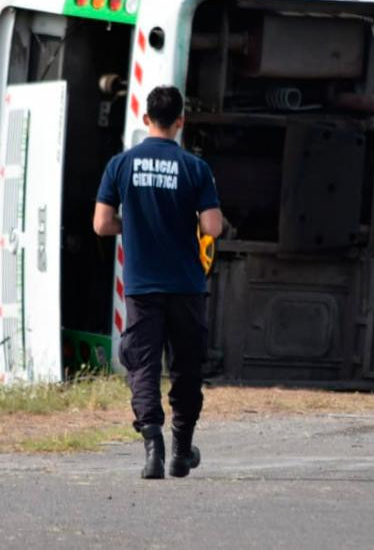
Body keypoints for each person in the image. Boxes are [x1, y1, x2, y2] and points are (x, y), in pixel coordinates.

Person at [94, 85, 223, 479]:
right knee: (185, 367)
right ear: (180, 122)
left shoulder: (120, 164)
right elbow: (212, 227)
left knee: (144, 365)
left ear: (146, 119)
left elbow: (101, 224)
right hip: (185, 285)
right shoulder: (195, 168)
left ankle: (152, 448)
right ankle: (182, 452)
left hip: (141, 286)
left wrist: (131, 226)